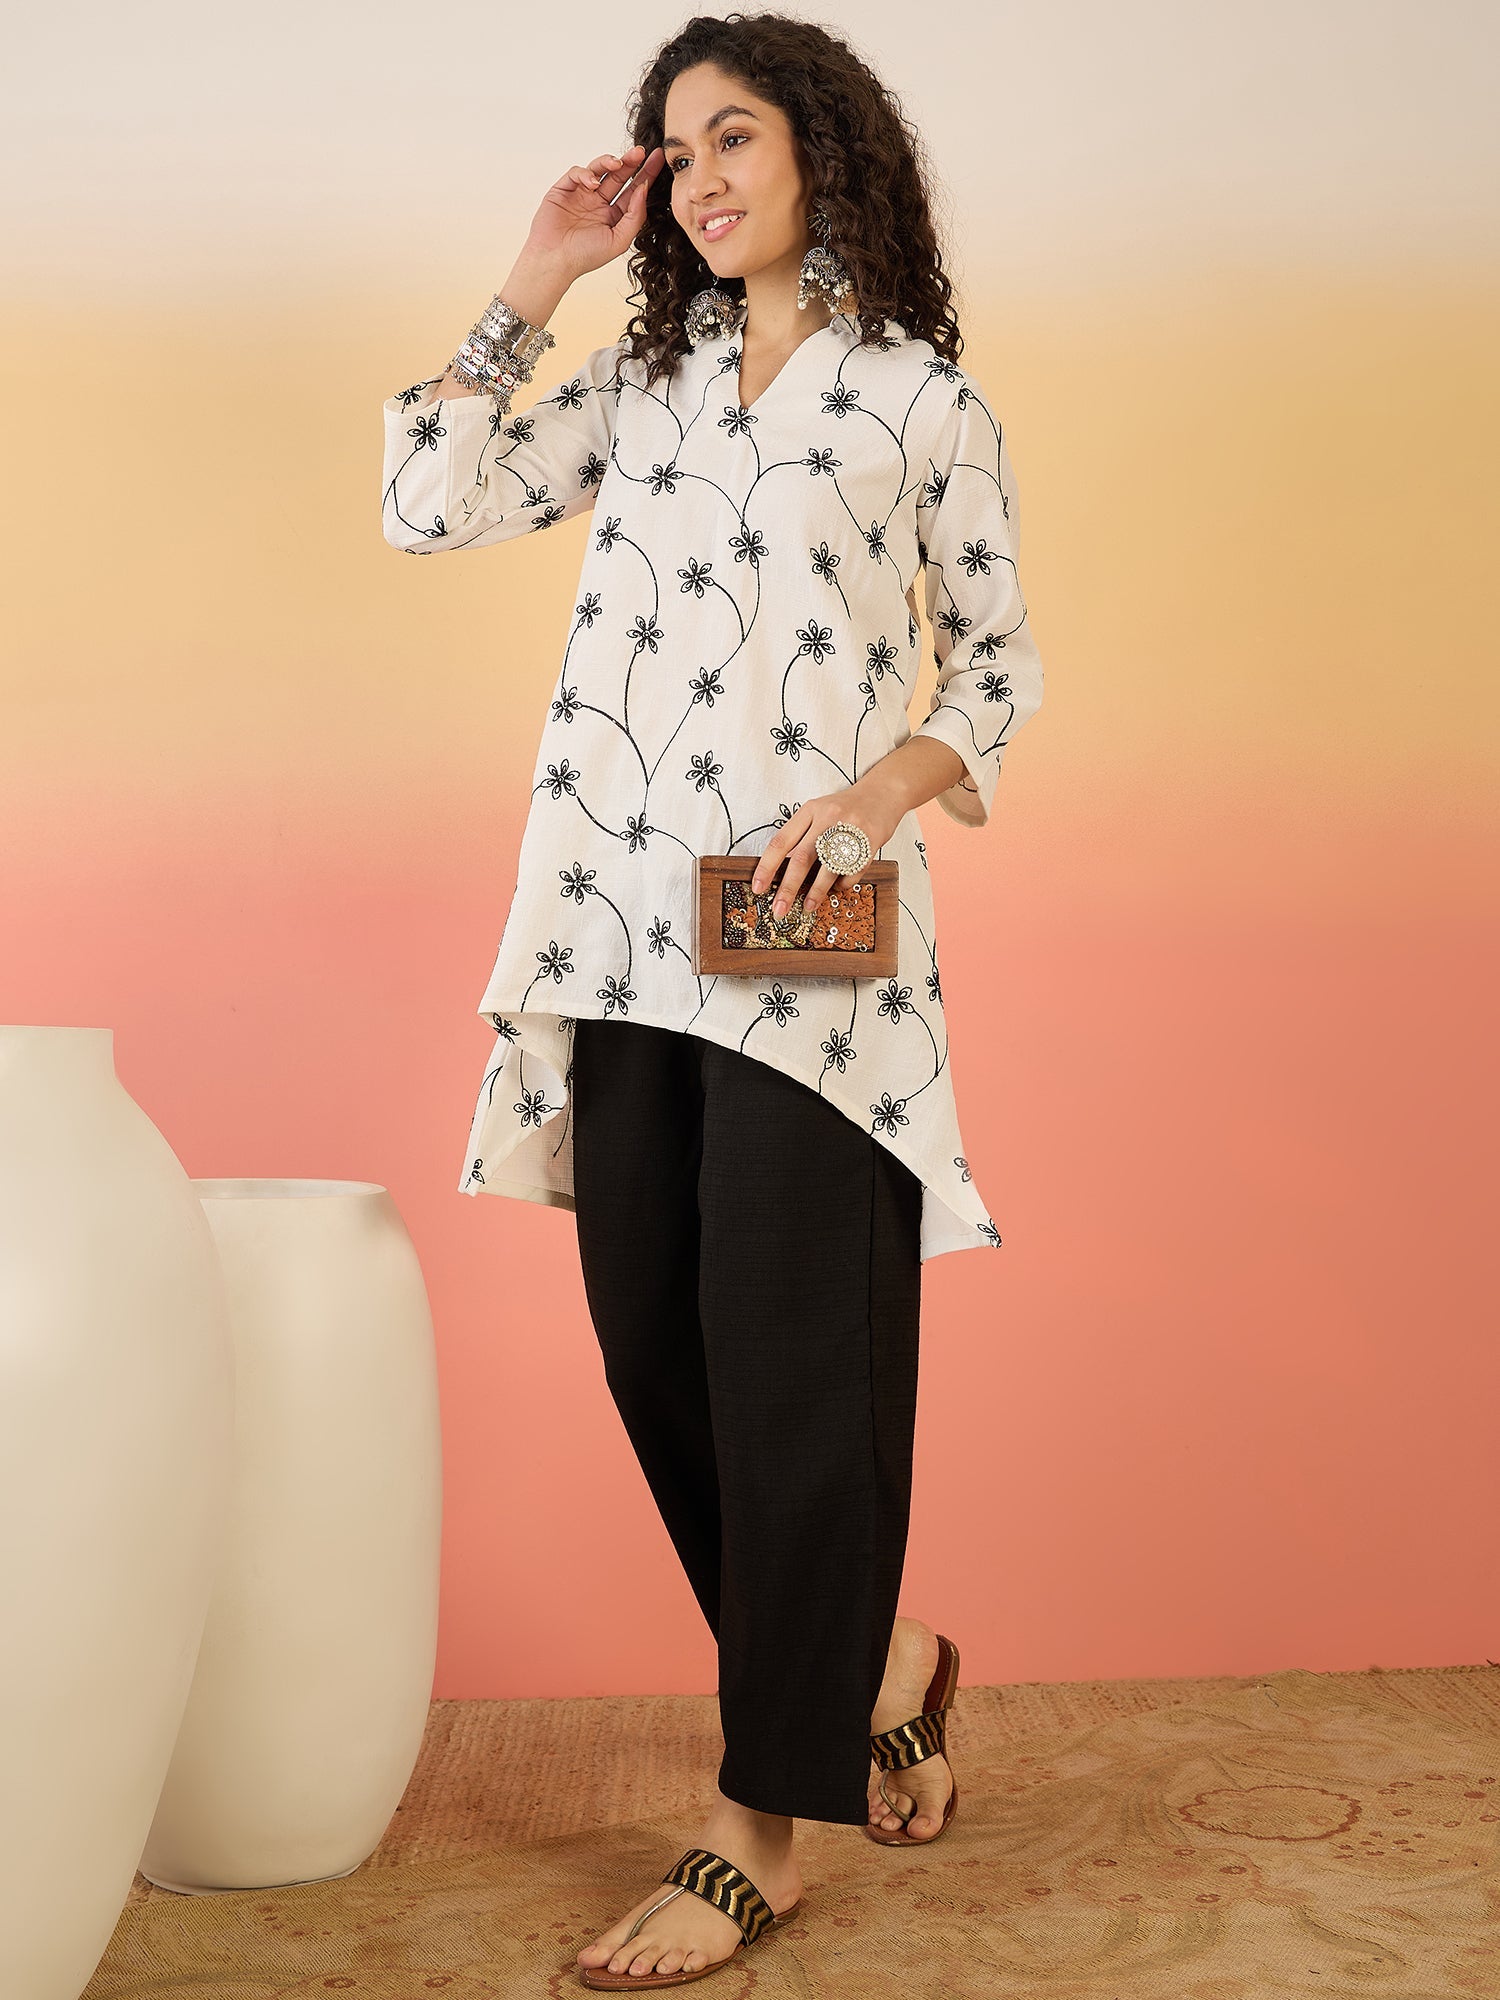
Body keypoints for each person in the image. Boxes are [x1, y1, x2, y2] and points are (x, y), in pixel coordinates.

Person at [382, 13, 1045, 1987]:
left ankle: (760, 1821)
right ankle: (886, 1662)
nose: (699, 178)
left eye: (734, 135)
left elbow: (996, 672)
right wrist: (535, 275)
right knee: (653, 1348)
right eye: (674, 150)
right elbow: (428, 501)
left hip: (801, 935)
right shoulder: (646, 377)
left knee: (792, 1370)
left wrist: (878, 797)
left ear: (826, 151)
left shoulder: (920, 403)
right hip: (615, 922)